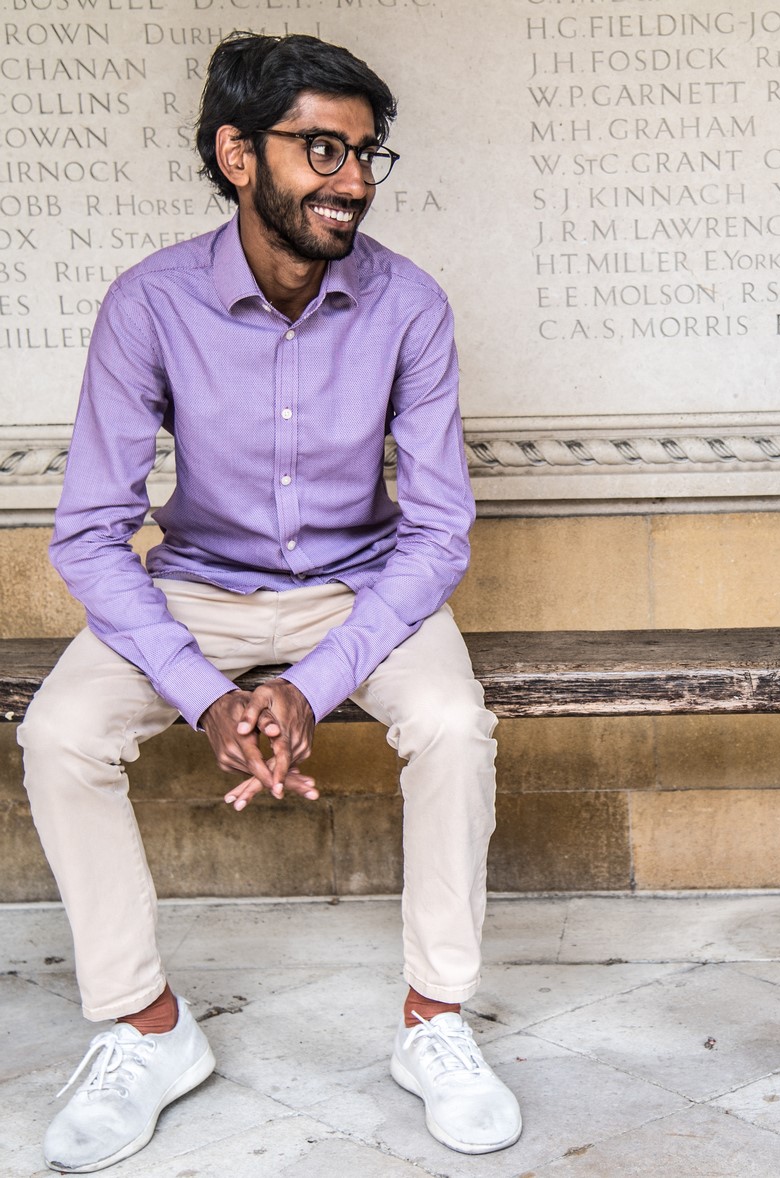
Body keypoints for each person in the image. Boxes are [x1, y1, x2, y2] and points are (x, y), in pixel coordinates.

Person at [19, 33, 520, 1173]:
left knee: (451, 724)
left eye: (365, 155)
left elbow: (438, 530)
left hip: (361, 588)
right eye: (323, 149)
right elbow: (91, 534)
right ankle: (146, 1029)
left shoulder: (408, 304)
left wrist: (308, 683)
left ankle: (435, 1021)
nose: (352, 181)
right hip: (194, 588)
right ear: (237, 154)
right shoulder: (149, 304)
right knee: (58, 733)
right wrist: (204, 697)